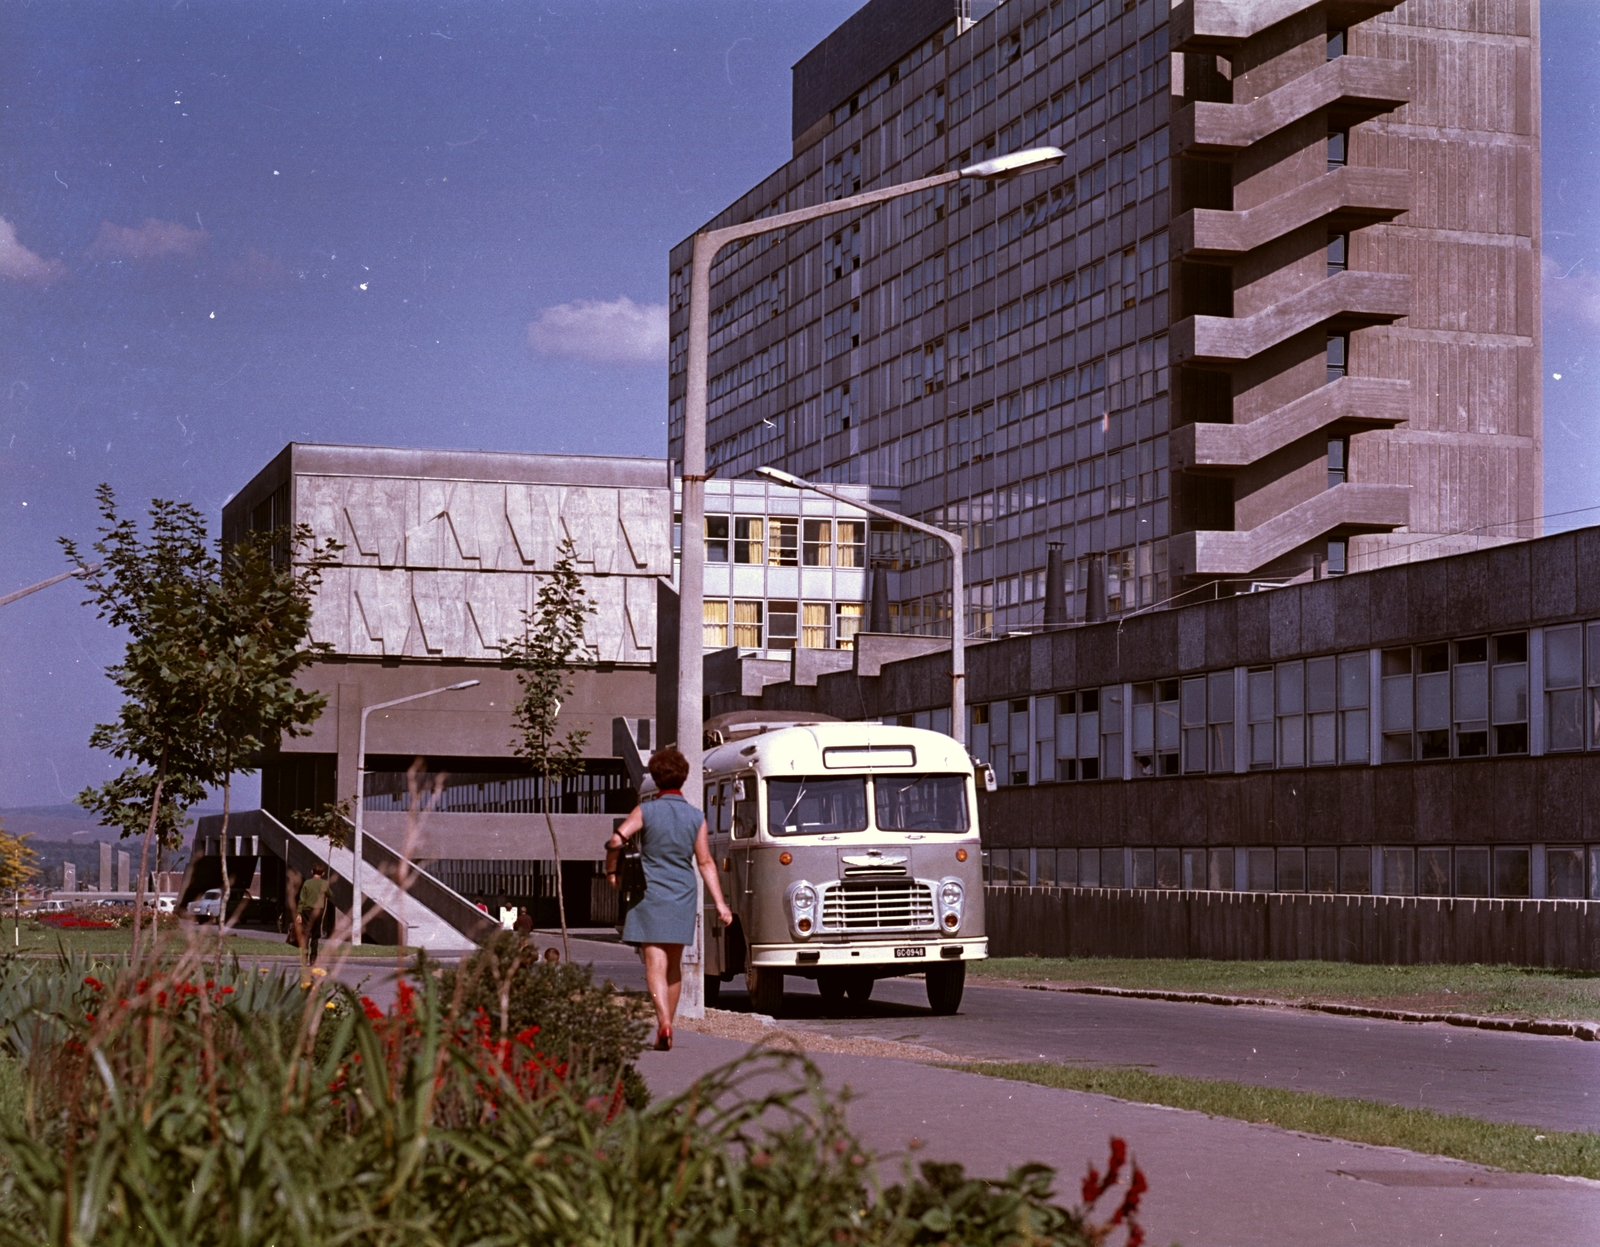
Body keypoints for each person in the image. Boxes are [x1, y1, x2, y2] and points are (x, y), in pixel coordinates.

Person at [606, 746, 732, 1051]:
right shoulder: (696, 816)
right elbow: (705, 863)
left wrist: (612, 872)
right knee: (674, 966)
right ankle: (669, 1024)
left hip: (649, 894)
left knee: (654, 964)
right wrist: (720, 904)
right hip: (682, 895)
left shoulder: (646, 811)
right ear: (684, 777)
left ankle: (662, 1021)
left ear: (656, 778)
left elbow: (615, 840)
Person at [297, 864, 330, 965]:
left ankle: (304, 957)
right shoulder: (324, 883)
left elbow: (302, 898)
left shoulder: (307, 883)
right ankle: (313, 959)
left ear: (312, 872)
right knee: (315, 935)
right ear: (323, 873)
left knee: (306, 933)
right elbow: (330, 894)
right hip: (318, 910)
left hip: (307, 910)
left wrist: (299, 913)